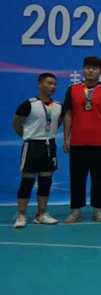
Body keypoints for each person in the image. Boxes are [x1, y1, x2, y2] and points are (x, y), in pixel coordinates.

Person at [63, 56, 101, 223]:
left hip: (100, 143)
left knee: (99, 178)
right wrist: (66, 138)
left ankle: (98, 210)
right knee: (76, 178)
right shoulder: (73, 90)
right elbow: (68, 114)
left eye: (94, 68)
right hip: (77, 141)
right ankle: (75, 211)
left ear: (100, 71)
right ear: (83, 69)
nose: (90, 70)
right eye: (87, 67)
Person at [12, 73, 63, 228]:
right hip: (32, 146)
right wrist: (28, 136)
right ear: (39, 84)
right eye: (49, 83)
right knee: (27, 181)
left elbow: (58, 123)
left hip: (49, 145)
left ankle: (41, 214)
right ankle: (21, 215)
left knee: (45, 182)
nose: (52, 86)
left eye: (54, 84)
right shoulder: (29, 104)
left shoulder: (59, 106)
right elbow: (16, 123)